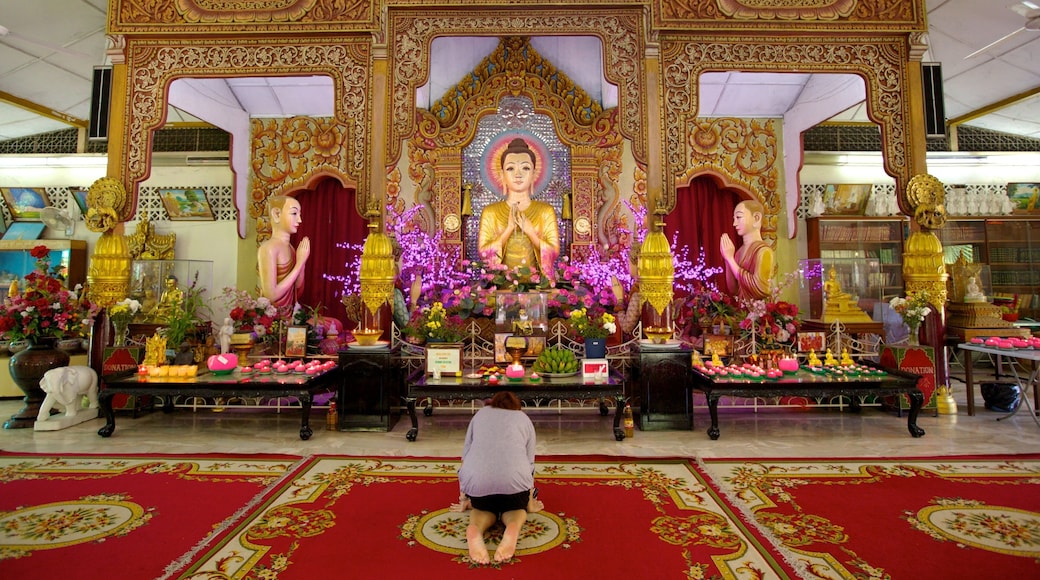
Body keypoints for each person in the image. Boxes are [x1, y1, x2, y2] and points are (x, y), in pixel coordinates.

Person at [452, 391, 543, 564]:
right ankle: (512, 527)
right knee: (517, 510)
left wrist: (464, 498)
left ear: (492, 403)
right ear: (516, 406)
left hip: (479, 487)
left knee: (481, 509)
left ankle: (475, 529)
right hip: (514, 488)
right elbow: (529, 464)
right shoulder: (523, 419)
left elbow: (465, 457)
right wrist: (530, 504)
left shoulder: (480, 415)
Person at [477, 138, 559, 281]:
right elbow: (483, 252)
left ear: (534, 174)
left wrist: (531, 233)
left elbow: (554, 251)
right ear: (502, 174)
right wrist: (508, 229)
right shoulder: (490, 212)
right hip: (500, 288)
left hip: (537, 287)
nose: (518, 174)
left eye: (525, 167)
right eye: (510, 168)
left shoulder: (545, 211)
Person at [258, 195, 311, 309]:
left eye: (299, 214)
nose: (299, 220)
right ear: (277, 214)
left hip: (289, 313)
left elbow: (297, 287)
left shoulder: (291, 248)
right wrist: (299, 264)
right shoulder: (269, 248)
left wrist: (302, 262)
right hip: (274, 317)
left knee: (335, 324)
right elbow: (270, 295)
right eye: (294, 213)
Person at [720, 199, 774, 302]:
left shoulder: (763, 251)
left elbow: (761, 289)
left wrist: (731, 259)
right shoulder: (739, 252)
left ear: (756, 218)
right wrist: (727, 259)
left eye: (739, 217)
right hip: (743, 310)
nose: (734, 224)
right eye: (734, 218)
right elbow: (733, 289)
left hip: (760, 312)